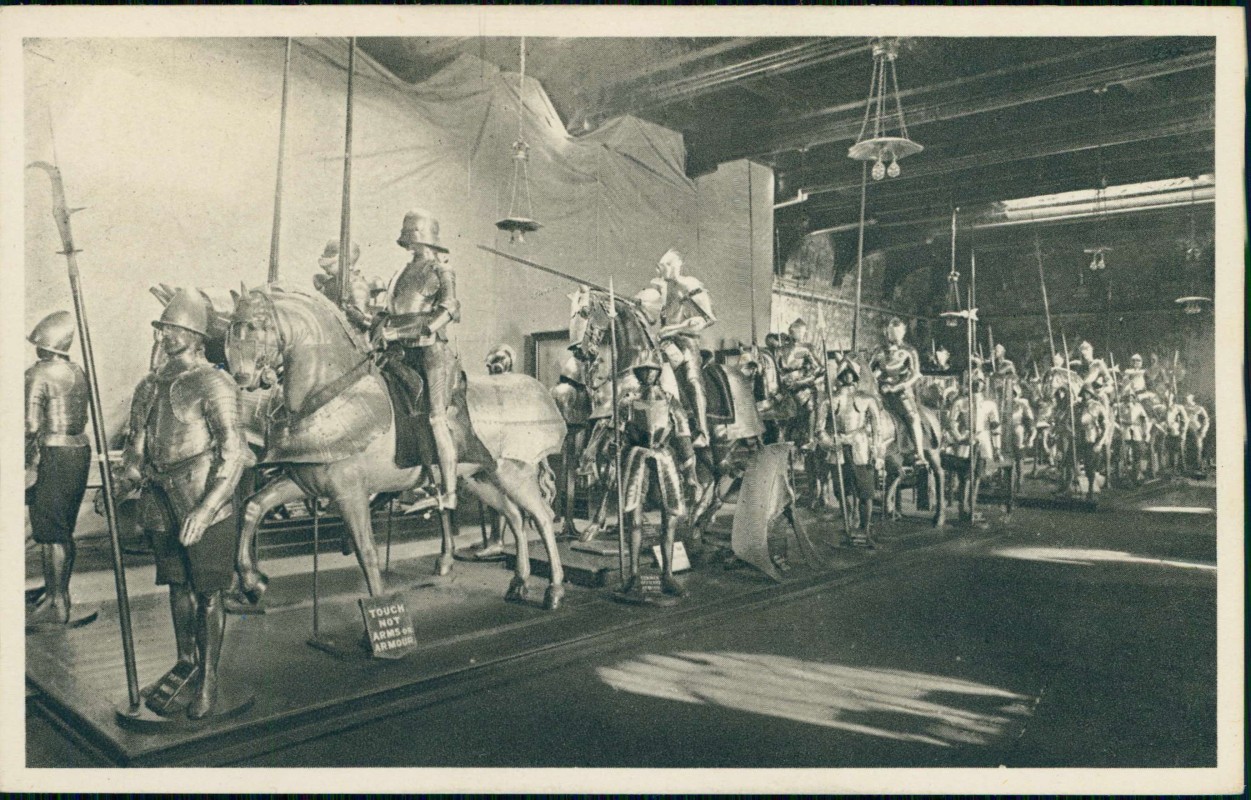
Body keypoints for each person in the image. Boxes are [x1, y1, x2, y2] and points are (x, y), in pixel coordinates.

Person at [112, 290, 252, 719]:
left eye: (174, 329)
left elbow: (235, 451)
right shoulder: (149, 385)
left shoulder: (215, 382)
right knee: (177, 585)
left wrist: (207, 508)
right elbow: (137, 445)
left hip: (202, 494)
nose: (166, 335)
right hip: (159, 496)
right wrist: (125, 477)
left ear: (194, 335)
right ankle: (186, 663)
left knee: (208, 592)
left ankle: (208, 677)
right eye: (164, 328)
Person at [373, 209, 462, 510]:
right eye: (406, 238)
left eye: (413, 237)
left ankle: (449, 492)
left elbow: (449, 307)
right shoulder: (400, 273)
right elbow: (391, 310)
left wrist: (422, 328)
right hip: (398, 351)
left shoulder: (440, 270)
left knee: (437, 417)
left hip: (430, 351)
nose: (409, 244)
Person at [25, 311, 92, 626]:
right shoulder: (78, 370)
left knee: (49, 531)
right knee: (62, 529)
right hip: (78, 451)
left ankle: (56, 602)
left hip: (51, 452)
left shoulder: (38, 374)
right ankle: (57, 593)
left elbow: (30, 424)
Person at [618, 352, 689, 602]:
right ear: (636, 372)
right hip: (636, 459)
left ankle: (667, 574)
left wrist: (690, 467)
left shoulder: (671, 401)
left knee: (669, 520)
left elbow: (682, 434)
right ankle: (634, 575)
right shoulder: (626, 403)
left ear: (659, 371)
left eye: (652, 369)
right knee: (633, 520)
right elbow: (615, 436)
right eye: (643, 369)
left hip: (664, 457)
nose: (648, 373)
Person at [652, 248, 715, 448]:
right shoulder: (660, 288)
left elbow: (708, 318)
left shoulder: (689, 285)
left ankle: (703, 432)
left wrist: (674, 328)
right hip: (664, 344)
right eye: (661, 266)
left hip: (686, 342)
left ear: (677, 265)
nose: (662, 269)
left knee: (691, 380)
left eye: (667, 265)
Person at [815, 358, 882, 544]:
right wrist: (829, 442)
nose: (848, 377)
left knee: (866, 491)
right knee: (842, 491)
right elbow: (819, 429)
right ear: (839, 376)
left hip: (861, 446)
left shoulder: (868, 399)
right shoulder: (829, 400)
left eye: (851, 374)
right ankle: (849, 524)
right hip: (837, 447)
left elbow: (878, 429)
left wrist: (878, 452)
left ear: (856, 377)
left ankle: (865, 528)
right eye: (844, 374)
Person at [870, 317, 926, 466]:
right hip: (881, 391)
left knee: (913, 418)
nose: (894, 335)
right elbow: (870, 371)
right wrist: (874, 382)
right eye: (891, 332)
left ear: (903, 332)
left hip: (901, 392)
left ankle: (919, 453)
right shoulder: (879, 351)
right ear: (886, 332)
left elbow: (915, 374)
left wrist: (896, 387)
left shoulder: (909, 351)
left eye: (897, 332)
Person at [775, 317, 825, 449]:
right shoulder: (781, 349)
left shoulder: (807, 348)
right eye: (794, 331)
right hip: (784, 386)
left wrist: (801, 382)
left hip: (803, 387)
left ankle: (810, 439)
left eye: (799, 331)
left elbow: (819, 369)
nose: (797, 333)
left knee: (810, 407)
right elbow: (776, 370)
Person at [1115, 392, 1151, 484]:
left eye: (1131, 397)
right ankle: (1122, 477)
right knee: (1122, 454)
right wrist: (1119, 426)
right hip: (1124, 430)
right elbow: (1112, 419)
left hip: (1137, 431)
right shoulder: (1119, 406)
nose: (1130, 399)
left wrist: (1146, 431)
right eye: (1128, 397)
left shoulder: (1138, 407)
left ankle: (1137, 475)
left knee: (1137, 454)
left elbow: (1145, 419)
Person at [1182, 393, 1209, 473]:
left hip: (1196, 428)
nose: (1186, 398)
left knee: (1197, 446)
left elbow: (1206, 419)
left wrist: (1204, 429)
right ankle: (1185, 467)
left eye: (1188, 397)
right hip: (1184, 428)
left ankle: (1197, 466)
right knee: (1183, 447)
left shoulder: (1199, 408)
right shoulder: (1182, 408)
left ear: (1192, 398)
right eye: (1185, 397)